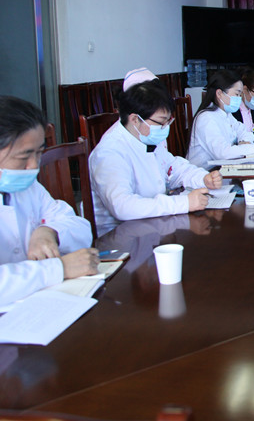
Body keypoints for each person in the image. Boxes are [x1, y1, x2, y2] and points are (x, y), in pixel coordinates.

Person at [89, 74, 222, 236]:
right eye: (160, 122)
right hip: (119, 235)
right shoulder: (110, 151)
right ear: (135, 119)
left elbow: (173, 167)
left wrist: (202, 178)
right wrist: (183, 203)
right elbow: (122, 206)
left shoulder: (144, 136)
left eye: (168, 121)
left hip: (152, 225)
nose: (165, 128)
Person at [0, 95, 97, 307]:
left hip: (37, 303)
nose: (34, 166)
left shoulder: (28, 187)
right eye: (23, 157)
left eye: (39, 153)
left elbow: (79, 226)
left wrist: (49, 231)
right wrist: (58, 269)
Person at [187, 69, 254, 169]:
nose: (239, 98)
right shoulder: (206, 118)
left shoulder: (226, 114)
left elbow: (243, 130)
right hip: (206, 172)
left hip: (222, 168)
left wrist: (244, 141)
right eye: (237, 94)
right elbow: (222, 153)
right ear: (219, 93)